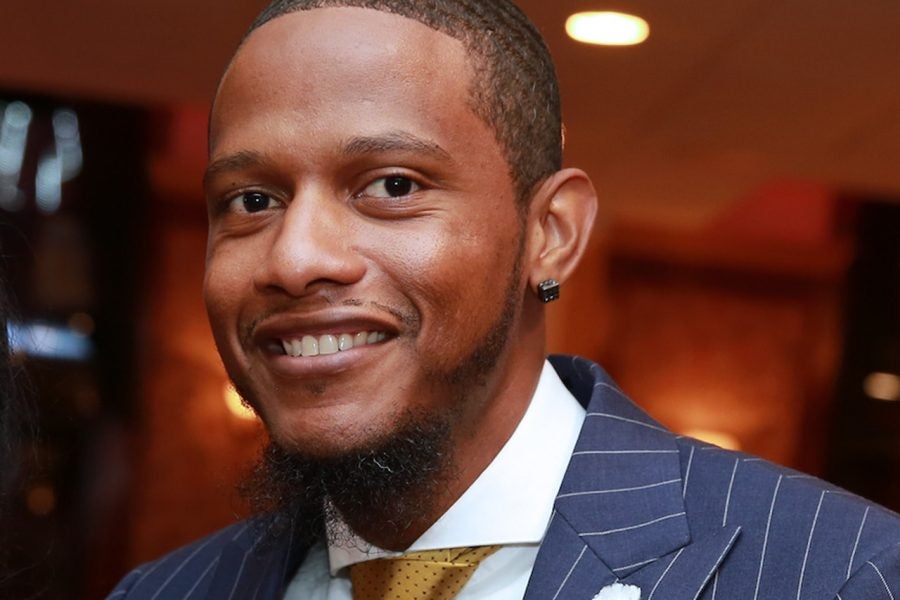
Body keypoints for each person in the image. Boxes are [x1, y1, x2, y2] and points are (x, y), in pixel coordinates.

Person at [109, 1, 900, 598]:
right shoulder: (165, 591)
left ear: (549, 233)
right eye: (251, 201)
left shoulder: (844, 574)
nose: (295, 258)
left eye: (392, 186)